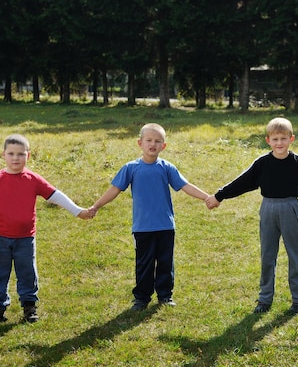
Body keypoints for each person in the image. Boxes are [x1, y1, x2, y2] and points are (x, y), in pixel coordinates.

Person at [205, 117, 298, 315]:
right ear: (268, 140)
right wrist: (219, 196)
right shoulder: (262, 164)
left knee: (295, 254)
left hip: (289, 208)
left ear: (291, 139)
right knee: (268, 255)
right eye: (275, 139)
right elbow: (242, 182)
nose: (279, 143)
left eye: (283, 139)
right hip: (268, 209)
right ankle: (265, 298)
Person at [0, 134, 91, 326]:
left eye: (21, 154)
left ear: (28, 156)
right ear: (3, 155)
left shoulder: (33, 179)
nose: (16, 158)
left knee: (27, 272)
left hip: (25, 239)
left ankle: (29, 307)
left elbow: (55, 196)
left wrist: (78, 211)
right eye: (11, 153)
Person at [89, 123, 211, 311]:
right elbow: (115, 189)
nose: (153, 144)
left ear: (164, 146)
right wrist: (96, 206)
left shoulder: (167, 167)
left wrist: (207, 197)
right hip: (143, 227)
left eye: (157, 141)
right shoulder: (130, 168)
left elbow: (186, 186)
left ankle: (165, 295)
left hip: (165, 226)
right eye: (149, 140)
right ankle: (142, 297)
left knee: (165, 262)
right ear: (140, 143)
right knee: (144, 263)